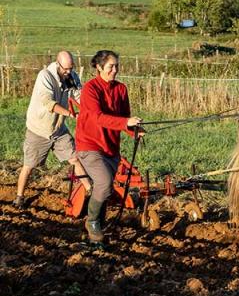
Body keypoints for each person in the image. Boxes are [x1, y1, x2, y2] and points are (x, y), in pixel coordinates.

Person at [75, 50, 144, 243]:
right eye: (110, 66)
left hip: (110, 148)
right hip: (89, 144)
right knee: (104, 184)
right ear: (99, 67)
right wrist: (126, 123)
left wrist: (135, 131)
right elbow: (97, 118)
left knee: (103, 189)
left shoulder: (121, 89)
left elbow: (124, 118)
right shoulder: (90, 89)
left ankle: (96, 231)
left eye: (117, 66)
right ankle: (92, 222)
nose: (115, 70)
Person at [14, 51, 92, 208]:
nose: (69, 72)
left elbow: (80, 97)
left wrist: (92, 111)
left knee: (74, 158)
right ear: (58, 64)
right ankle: (19, 197)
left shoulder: (71, 76)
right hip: (39, 129)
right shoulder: (45, 77)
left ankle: (91, 190)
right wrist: (70, 113)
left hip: (58, 129)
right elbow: (48, 103)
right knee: (29, 166)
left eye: (71, 68)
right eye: (66, 69)